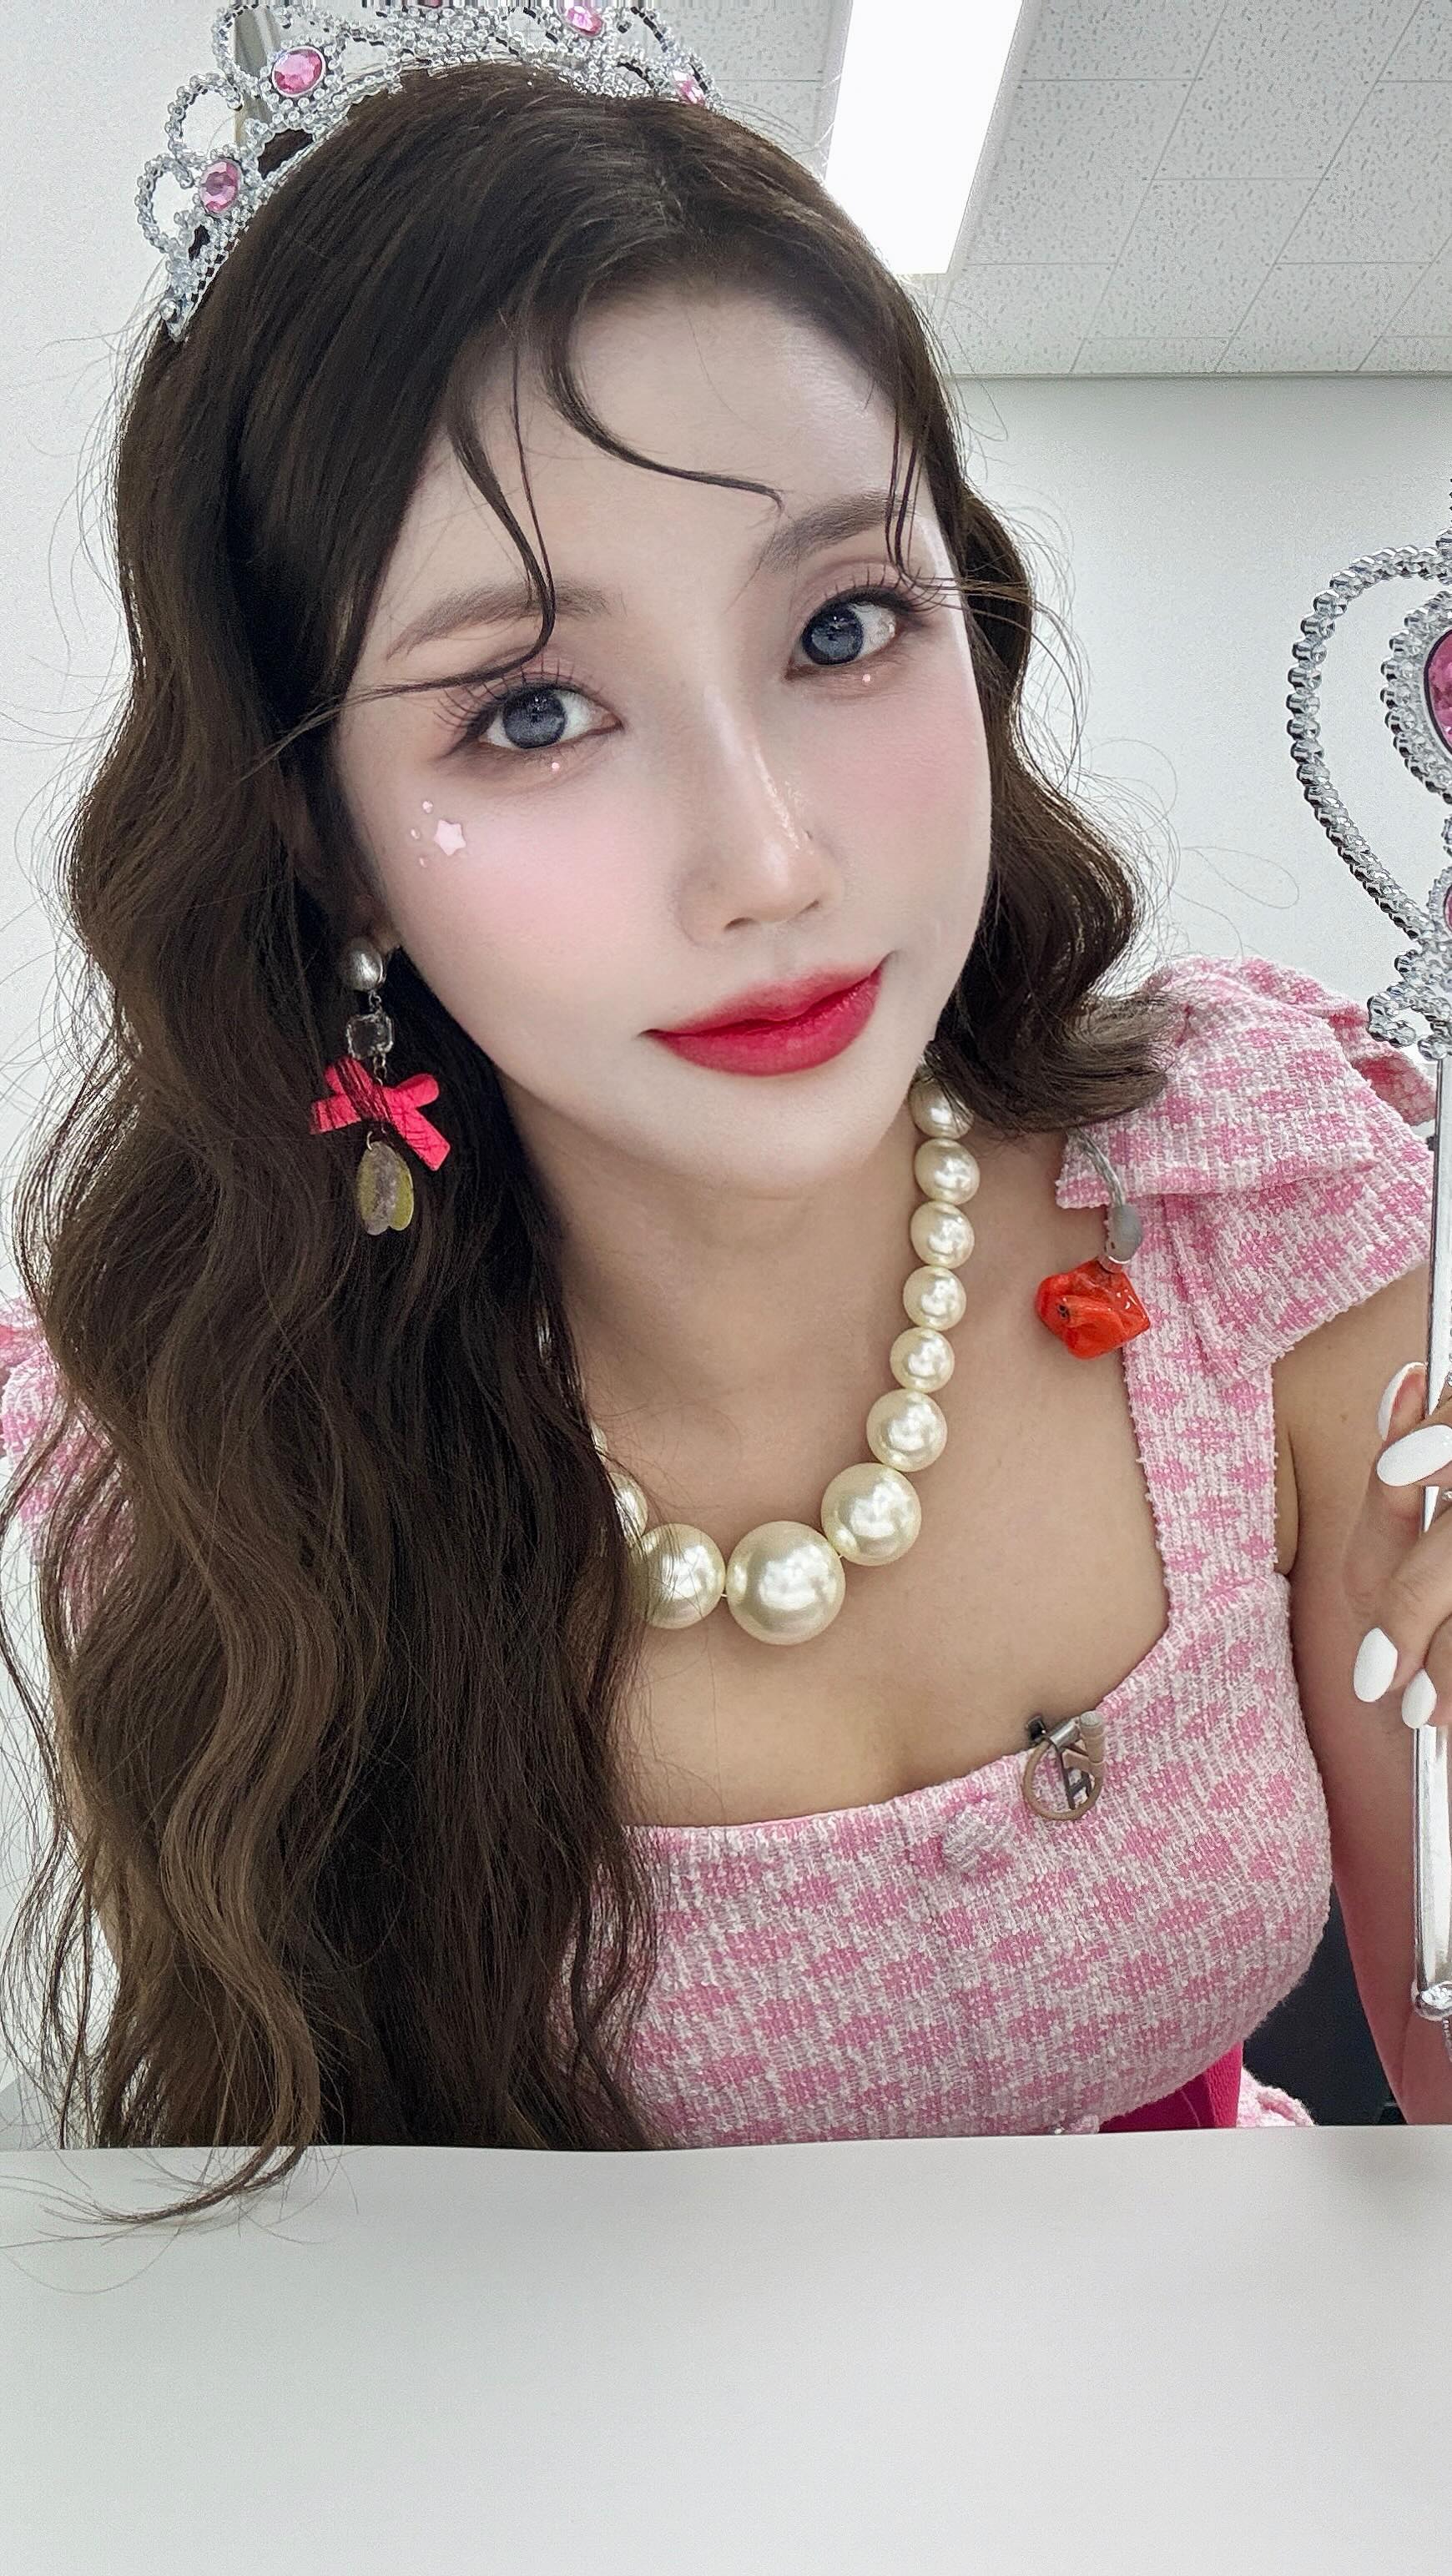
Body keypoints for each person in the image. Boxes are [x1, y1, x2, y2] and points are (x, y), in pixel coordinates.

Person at [2, 5, 1449, 2219]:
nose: (769, 862)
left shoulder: (1252, 1202)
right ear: (327, 838)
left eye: (844, 626)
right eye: (532, 712)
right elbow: (318, 2274)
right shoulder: (210, 1431)